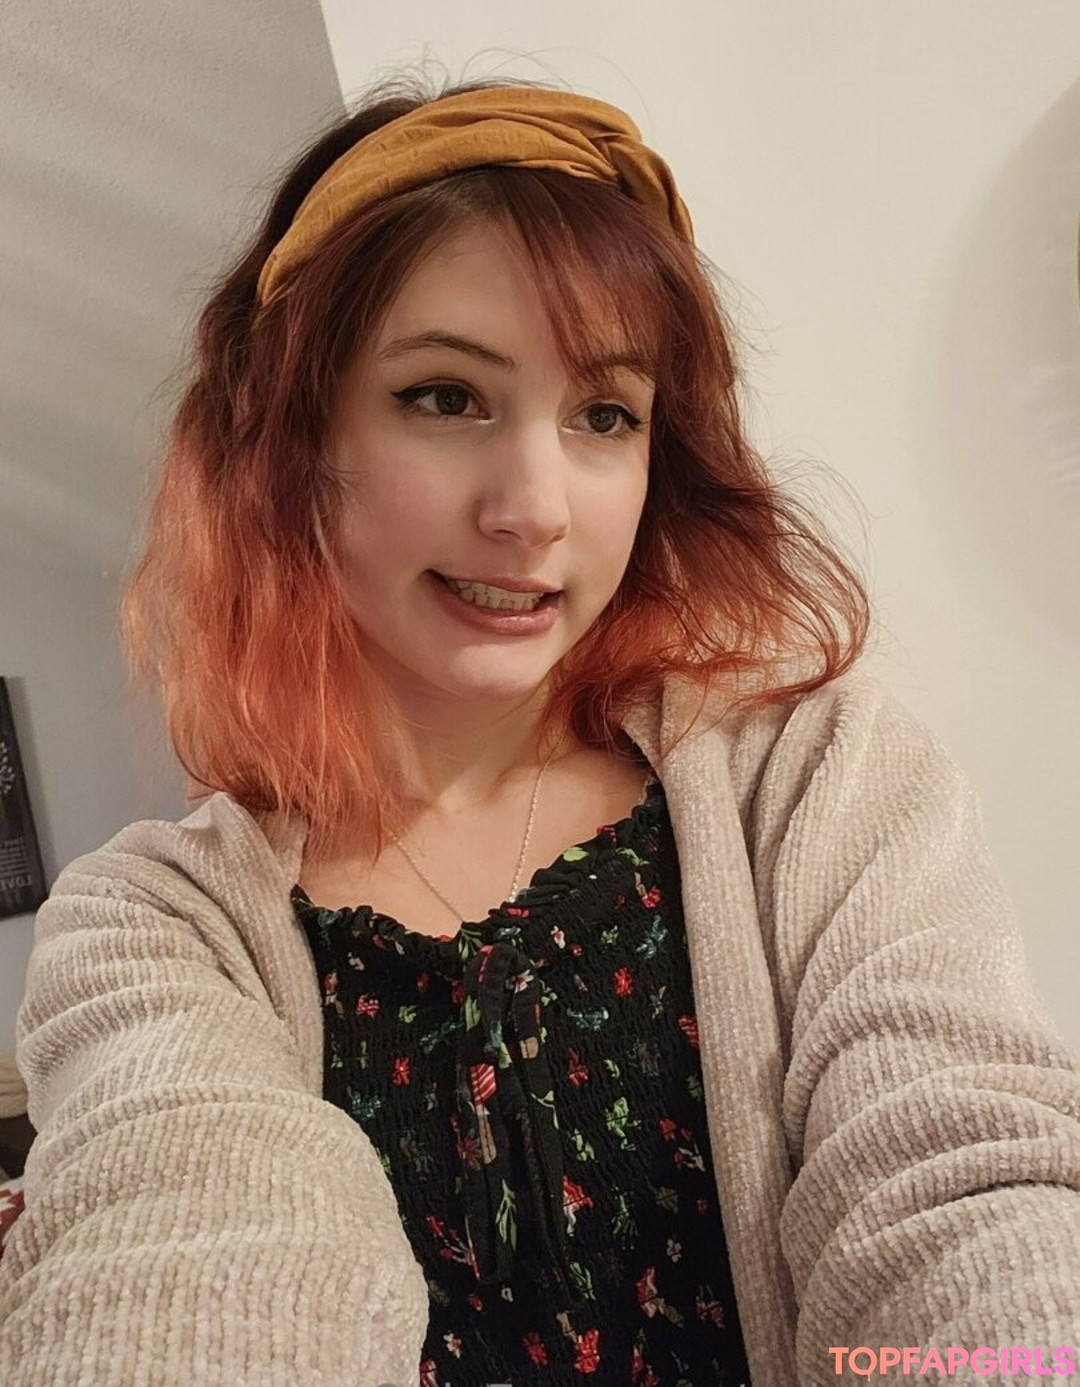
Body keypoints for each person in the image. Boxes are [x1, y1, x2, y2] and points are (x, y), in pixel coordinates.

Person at [1, 72, 1078, 1387]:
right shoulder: (153, 925)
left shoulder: (816, 781)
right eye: (444, 396)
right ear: (291, 443)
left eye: (604, 416)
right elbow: (185, 1250)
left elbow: (957, 1180)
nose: (535, 509)